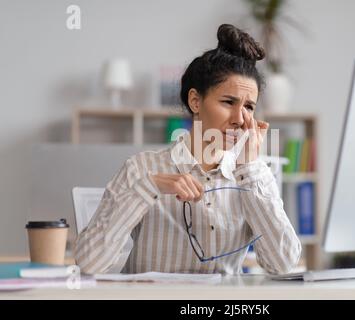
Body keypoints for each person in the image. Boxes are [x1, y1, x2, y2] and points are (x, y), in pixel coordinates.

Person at [74, 24, 301, 275]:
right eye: (228, 102)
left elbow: (283, 265)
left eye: (249, 107)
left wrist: (249, 168)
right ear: (195, 101)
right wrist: (148, 187)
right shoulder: (141, 169)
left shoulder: (254, 178)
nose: (240, 118)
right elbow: (89, 263)